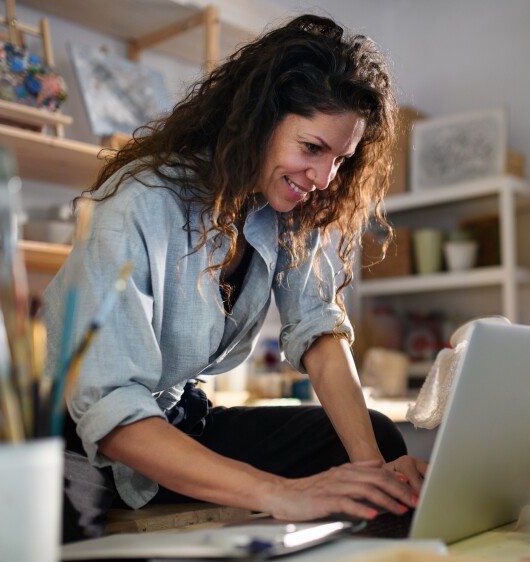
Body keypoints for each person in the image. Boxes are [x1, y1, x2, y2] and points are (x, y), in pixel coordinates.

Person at [41, 14, 427, 541]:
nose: (324, 179)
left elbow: (319, 332)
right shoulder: (141, 201)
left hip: (178, 424)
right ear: (259, 121)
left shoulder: (290, 206)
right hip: (79, 436)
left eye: (341, 159)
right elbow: (111, 411)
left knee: (376, 440)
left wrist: (371, 471)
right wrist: (278, 491)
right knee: (59, 525)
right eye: (312, 148)